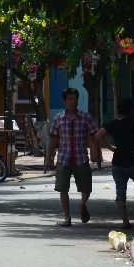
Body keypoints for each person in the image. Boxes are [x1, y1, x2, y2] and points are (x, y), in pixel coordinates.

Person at [95, 98, 134, 229]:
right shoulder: (133, 123)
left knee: (120, 192)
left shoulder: (112, 124)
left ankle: (125, 221)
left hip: (118, 161)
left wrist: (110, 147)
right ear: (130, 110)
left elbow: (98, 135)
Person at [45, 87, 99, 226]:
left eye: (75, 99)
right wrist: (47, 158)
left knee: (86, 188)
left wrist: (97, 156)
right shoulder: (58, 118)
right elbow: (53, 140)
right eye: (70, 99)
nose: (73, 101)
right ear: (64, 101)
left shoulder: (85, 117)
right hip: (63, 158)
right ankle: (67, 218)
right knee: (63, 189)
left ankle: (82, 204)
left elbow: (95, 137)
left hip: (81, 158)